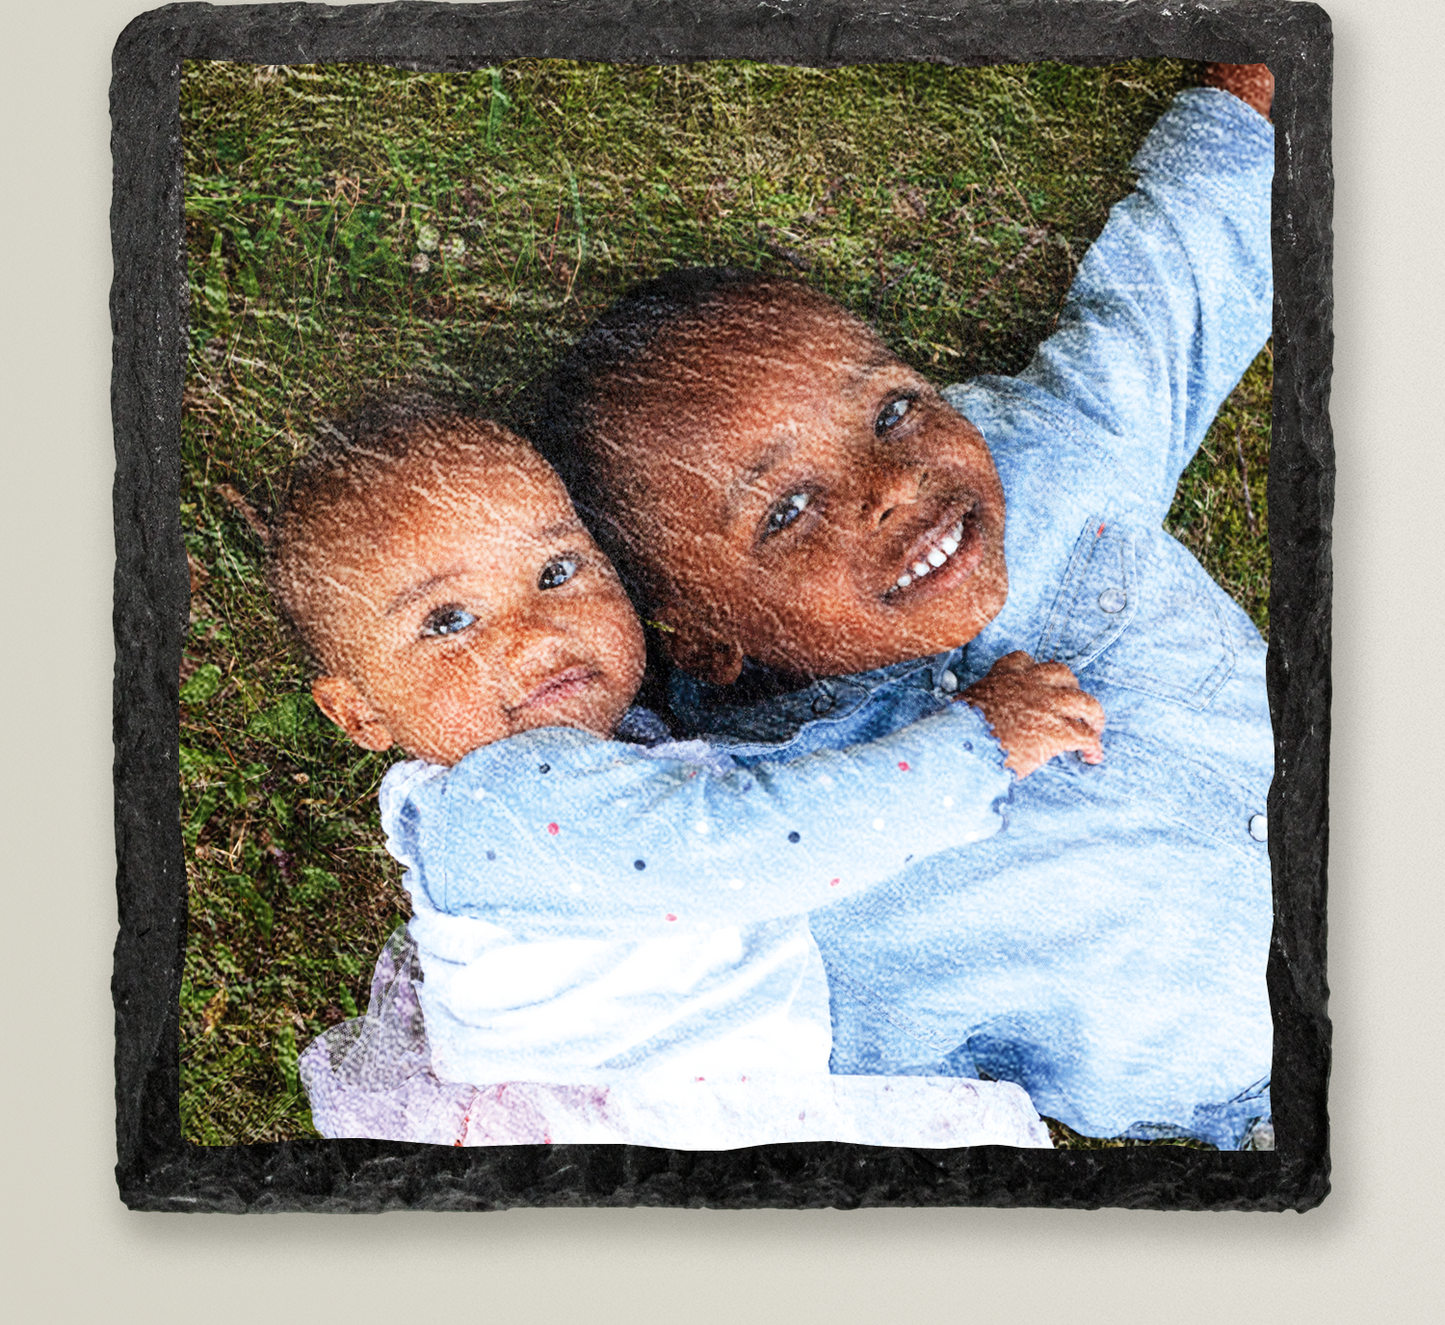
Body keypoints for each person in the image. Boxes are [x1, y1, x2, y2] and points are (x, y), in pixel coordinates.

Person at [527, 65, 1277, 1148]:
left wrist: (1242, 111)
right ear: (708, 642)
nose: (891, 483)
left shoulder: (1044, 467)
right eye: (785, 509)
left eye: (887, 407)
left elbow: (1165, 309)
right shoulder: (805, 881)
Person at [273, 402, 1096, 1146]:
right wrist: (980, 744)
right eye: (447, 620)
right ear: (357, 714)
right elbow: (758, 841)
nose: (533, 632)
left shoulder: (554, 780)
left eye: (557, 572)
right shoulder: (502, 801)